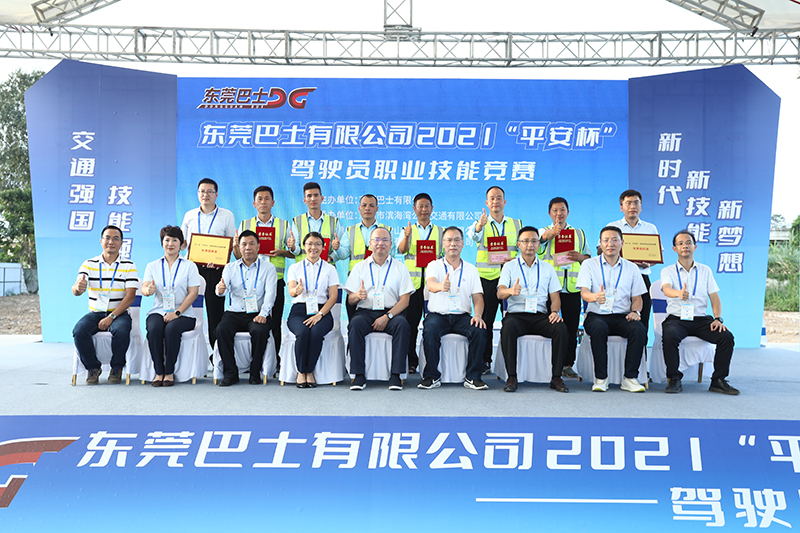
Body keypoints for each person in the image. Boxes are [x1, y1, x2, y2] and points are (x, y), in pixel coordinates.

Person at [660, 230, 738, 395]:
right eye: (680, 243)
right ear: (675, 249)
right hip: (677, 319)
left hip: (701, 319)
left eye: (688, 242)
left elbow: (714, 297)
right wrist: (678, 293)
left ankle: (718, 380)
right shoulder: (668, 271)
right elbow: (666, 289)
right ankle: (674, 378)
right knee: (670, 335)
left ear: (695, 247)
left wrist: (718, 319)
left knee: (726, 337)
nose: (685, 246)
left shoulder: (705, 270)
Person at [497, 226, 569, 393]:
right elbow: (500, 293)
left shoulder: (548, 268)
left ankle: (556, 377)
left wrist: (554, 312)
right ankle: (512, 376)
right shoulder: (509, 267)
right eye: (526, 241)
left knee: (561, 328)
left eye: (534, 241)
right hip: (516, 316)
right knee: (508, 328)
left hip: (540, 316)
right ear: (519, 244)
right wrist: (510, 291)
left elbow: (555, 297)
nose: (530, 244)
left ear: (538, 244)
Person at [577, 226, 647, 393]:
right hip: (597, 315)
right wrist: (595, 297)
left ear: (622, 243)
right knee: (598, 328)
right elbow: (584, 293)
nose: (610, 244)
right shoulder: (589, 264)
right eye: (606, 240)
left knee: (639, 329)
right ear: (600, 243)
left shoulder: (631, 267)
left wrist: (635, 312)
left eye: (615, 240)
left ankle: (630, 378)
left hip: (623, 316)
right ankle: (601, 378)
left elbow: (637, 298)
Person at [345, 227, 413, 391]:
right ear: (370, 244)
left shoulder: (400, 268)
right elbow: (350, 300)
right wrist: (357, 295)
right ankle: (358, 375)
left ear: (391, 244)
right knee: (355, 325)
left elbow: (405, 301)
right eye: (376, 239)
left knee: (402, 325)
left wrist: (387, 317)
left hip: (391, 312)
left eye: (385, 240)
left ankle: (396, 375)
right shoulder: (359, 267)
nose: (380, 243)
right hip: (366, 312)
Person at [420, 226, 488, 390]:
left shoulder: (471, 269)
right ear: (443, 243)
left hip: (461, 317)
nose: (453, 244)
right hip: (438, 315)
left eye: (457, 240)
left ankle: (473, 377)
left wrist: (478, 315)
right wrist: (440, 286)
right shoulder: (434, 265)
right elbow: (430, 284)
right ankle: (432, 376)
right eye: (449, 240)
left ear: (463, 244)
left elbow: (478, 297)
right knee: (430, 329)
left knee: (479, 330)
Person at [234, 185, 295, 364]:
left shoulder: (284, 225)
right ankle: (251, 360)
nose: (263, 202)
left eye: (267, 198)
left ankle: (274, 362)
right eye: (259, 199)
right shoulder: (245, 225)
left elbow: (293, 254)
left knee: (275, 322)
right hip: (249, 283)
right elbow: (237, 256)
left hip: (275, 280)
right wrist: (235, 246)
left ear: (273, 202)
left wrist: (284, 251)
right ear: (254, 203)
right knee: (252, 321)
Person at [72, 225, 139, 385]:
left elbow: (130, 297)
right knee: (79, 331)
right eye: (107, 238)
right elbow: (76, 289)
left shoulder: (129, 265)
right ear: (101, 241)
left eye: (116, 238)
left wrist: (111, 317)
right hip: (96, 313)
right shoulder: (89, 263)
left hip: (119, 313)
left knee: (121, 330)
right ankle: (93, 368)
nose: (111, 242)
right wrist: (78, 288)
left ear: (121, 243)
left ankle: (117, 367)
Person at [466, 186, 522, 372]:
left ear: (504, 202)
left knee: (511, 321)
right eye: (492, 198)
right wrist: (479, 225)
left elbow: (523, 247)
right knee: (486, 321)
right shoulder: (481, 223)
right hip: (487, 279)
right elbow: (472, 235)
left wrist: (515, 259)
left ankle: (508, 363)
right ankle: (485, 360)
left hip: (509, 280)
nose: (495, 201)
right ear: (487, 203)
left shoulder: (516, 224)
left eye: (499, 198)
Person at [214, 230, 277, 387]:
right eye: (244, 244)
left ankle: (255, 372)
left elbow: (271, 294)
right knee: (221, 329)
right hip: (234, 313)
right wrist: (220, 290)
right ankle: (230, 373)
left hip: (257, 313)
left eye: (251, 244)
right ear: (239, 247)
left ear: (258, 246)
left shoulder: (268, 268)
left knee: (260, 330)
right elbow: (222, 288)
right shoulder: (230, 267)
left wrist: (263, 314)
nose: (248, 247)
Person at [180, 178, 236, 352]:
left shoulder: (226, 215)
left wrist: (221, 259)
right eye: (202, 191)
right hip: (192, 269)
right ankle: (189, 353)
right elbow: (182, 243)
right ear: (198, 194)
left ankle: (217, 353)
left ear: (216, 194)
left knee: (215, 312)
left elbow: (230, 243)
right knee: (188, 309)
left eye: (210, 191)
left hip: (216, 269)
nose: (206, 195)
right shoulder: (189, 215)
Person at [141, 226, 202, 387]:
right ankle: (158, 372)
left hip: (184, 314)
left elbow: (193, 293)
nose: (170, 243)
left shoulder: (189, 266)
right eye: (167, 240)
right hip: (158, 310)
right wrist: (148, 290)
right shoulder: (152, 266)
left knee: (171, 329)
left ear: (181, 244)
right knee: (154, 328)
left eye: (175, 240)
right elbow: (145, 287)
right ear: (162, 243)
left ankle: (169, 372)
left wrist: (177, 312)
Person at [538, 197, 590, 379]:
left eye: (562, 210)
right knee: (549, 326)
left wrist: (580, 257)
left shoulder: (579, 234)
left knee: (571, 327)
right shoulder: (543, 231)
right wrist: (550, 234)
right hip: (550, 289)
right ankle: (550, 363)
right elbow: (540, 243)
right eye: (555, 210)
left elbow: (588, 258)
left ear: (568, 212)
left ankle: (568, 364)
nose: (559, 213)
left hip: (572, 288)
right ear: (549, 213)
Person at [396, 193, 445, 374]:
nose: (424, 210)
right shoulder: (407, 229)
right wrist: (407, 237)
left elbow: (446, 255)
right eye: (420, 206)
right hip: (414, 285)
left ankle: (431, 361)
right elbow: (401, 250)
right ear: (414, 209)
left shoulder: (441, 231)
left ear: (432, 208)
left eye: (427, 206)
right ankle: (411, 360)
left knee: (434, 323)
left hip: (435, 285)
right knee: (410, 324)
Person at [285, 232, 340, 388]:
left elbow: (333, 296)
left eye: (317, 244)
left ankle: (310, 371)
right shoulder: (295, 267)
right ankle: (301, 371)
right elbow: (291, 292)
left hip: (322, 310)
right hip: (299, 309)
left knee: (316, 332)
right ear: (304, 246)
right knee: (303, 332)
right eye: (309, 243)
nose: (313, 247)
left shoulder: (330, 269)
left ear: (323, 247)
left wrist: (320, 314)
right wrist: (297, 290)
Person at [607, 189, 661, 335]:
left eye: (636, 203)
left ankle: (641, 348)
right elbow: (602, 251)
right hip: (618, 277)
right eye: (628, 203)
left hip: (642, 277)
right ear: (621, 207)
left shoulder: (650, 228)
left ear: (641, 206)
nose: (633, 206)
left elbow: (656, 256)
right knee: (617, 314)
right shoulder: (612, 227)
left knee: (643, 317)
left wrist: (649, 264)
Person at [341, 194, 392, 320]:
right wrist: (336, 248)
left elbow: (392, 255)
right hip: (356, 282)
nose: (367, 208)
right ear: (359, 208)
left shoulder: (386, 230)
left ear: (377, 209)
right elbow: (343, 254)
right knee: (354, 321)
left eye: (371, 205)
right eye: (364, 205)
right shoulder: (350, 230)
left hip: (380, 281)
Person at [291, 182, 346, 264]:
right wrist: (292, 247)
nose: (313, 199)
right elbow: (297, 250)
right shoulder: (297, 221)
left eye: (316, 195)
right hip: (303, 268)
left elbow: (341, 249)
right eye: (309, 196)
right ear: (304, 200)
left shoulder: (333, 221)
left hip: (326, 268)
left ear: (322, 198)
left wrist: (331, 257)